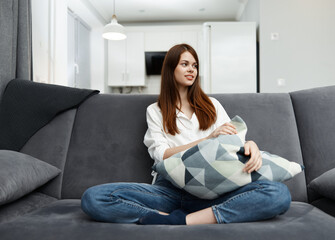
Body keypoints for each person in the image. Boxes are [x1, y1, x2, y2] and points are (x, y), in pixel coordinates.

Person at [81, 43, 291, 225]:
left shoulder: (212, 105)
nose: (192, 70)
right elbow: (161, 155)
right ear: (171, 69)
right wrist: (208, 140)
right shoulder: (155, 111)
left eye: (195, 65)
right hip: (170, 191)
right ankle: (165, 215)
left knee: (278, 194)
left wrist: (251, 145)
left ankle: (182, 220)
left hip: (215, 189)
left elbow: (234, 143)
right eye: (185, 64)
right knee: (94, 198)